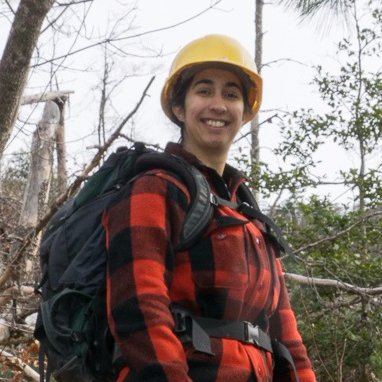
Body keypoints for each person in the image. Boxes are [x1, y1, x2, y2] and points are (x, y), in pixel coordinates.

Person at [104, 34, 317, 382]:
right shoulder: (154, 188)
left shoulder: (248, 215)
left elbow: (286, 333)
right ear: (179, 107)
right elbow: (138, 308)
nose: (218, 104)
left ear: (246, 113)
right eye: (204, 91)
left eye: (231, 94)